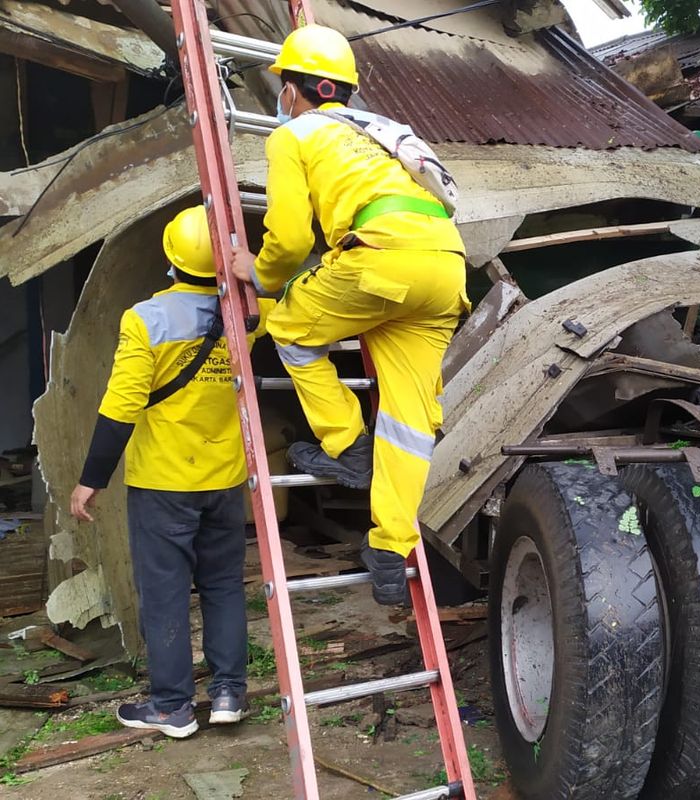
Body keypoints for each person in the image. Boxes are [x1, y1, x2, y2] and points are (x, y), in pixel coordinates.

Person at [230, 25, 469, 607]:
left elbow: (286, 242)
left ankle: (347, 445)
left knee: (288, 328)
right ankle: (389, 547)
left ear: (292, 90)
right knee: (410, 420)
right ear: (342, 89)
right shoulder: (380, 130)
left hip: (378, 261)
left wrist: (253, 271)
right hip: (445, 267)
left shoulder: (295, 135)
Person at [70, 206, 271, 738]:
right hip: (226, 479)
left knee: (165, 593)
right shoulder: (250, 316)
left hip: (162, 485)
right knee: (225, 586)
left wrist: (92, 479)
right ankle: (229, 692)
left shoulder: (145, 320)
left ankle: (171, 707)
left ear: (171, 257)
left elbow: (121, 407)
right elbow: (285, 295)